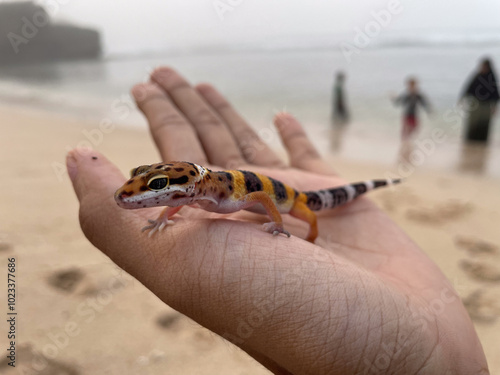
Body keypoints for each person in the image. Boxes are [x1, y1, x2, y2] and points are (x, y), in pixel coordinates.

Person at [67, 67, 488, 374]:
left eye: (154, 184)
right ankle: (375, 182)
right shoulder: (197, 195)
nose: (136, 192)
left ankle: (373, 184)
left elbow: (260, 198)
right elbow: (180, 202)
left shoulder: (228, 196)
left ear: (189, 184)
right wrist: (162, 217)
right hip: (251, 185)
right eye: (149, 183)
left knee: (311, 213)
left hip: (296, 200)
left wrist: (285, 226)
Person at [460, 58, 499, 143]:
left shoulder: (491, 78)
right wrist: (462, 99)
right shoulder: (477, 76)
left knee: (484, 125)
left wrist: (494, 107)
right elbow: (468, 88)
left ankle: (482, 142)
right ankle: (470, 141)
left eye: (484, 66)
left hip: (486, 106)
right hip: (475, 104)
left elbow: (495, 94)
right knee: (473, 124)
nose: (482, 68)